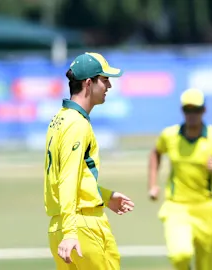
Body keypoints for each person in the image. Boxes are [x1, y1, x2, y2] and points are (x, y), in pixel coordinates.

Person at [44, 52, 135, 269]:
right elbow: (67, 178)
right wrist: (71, 232)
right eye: (104, 80)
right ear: (88, 83)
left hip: (60, 224)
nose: (109, 86)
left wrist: (103, 196)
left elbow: (69, 175)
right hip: (82, 226)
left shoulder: (59, 118)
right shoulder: (77, 124)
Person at [147, 88, 212, 270]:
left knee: (206, 266)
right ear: (182, 111)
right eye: (188, 110)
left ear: (203, 110)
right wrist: (153, 184)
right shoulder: (169, 135)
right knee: (179, 254)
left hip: (207, 208)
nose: (192, 114)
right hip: (176, 207)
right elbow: (156, 153)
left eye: (196, 110)